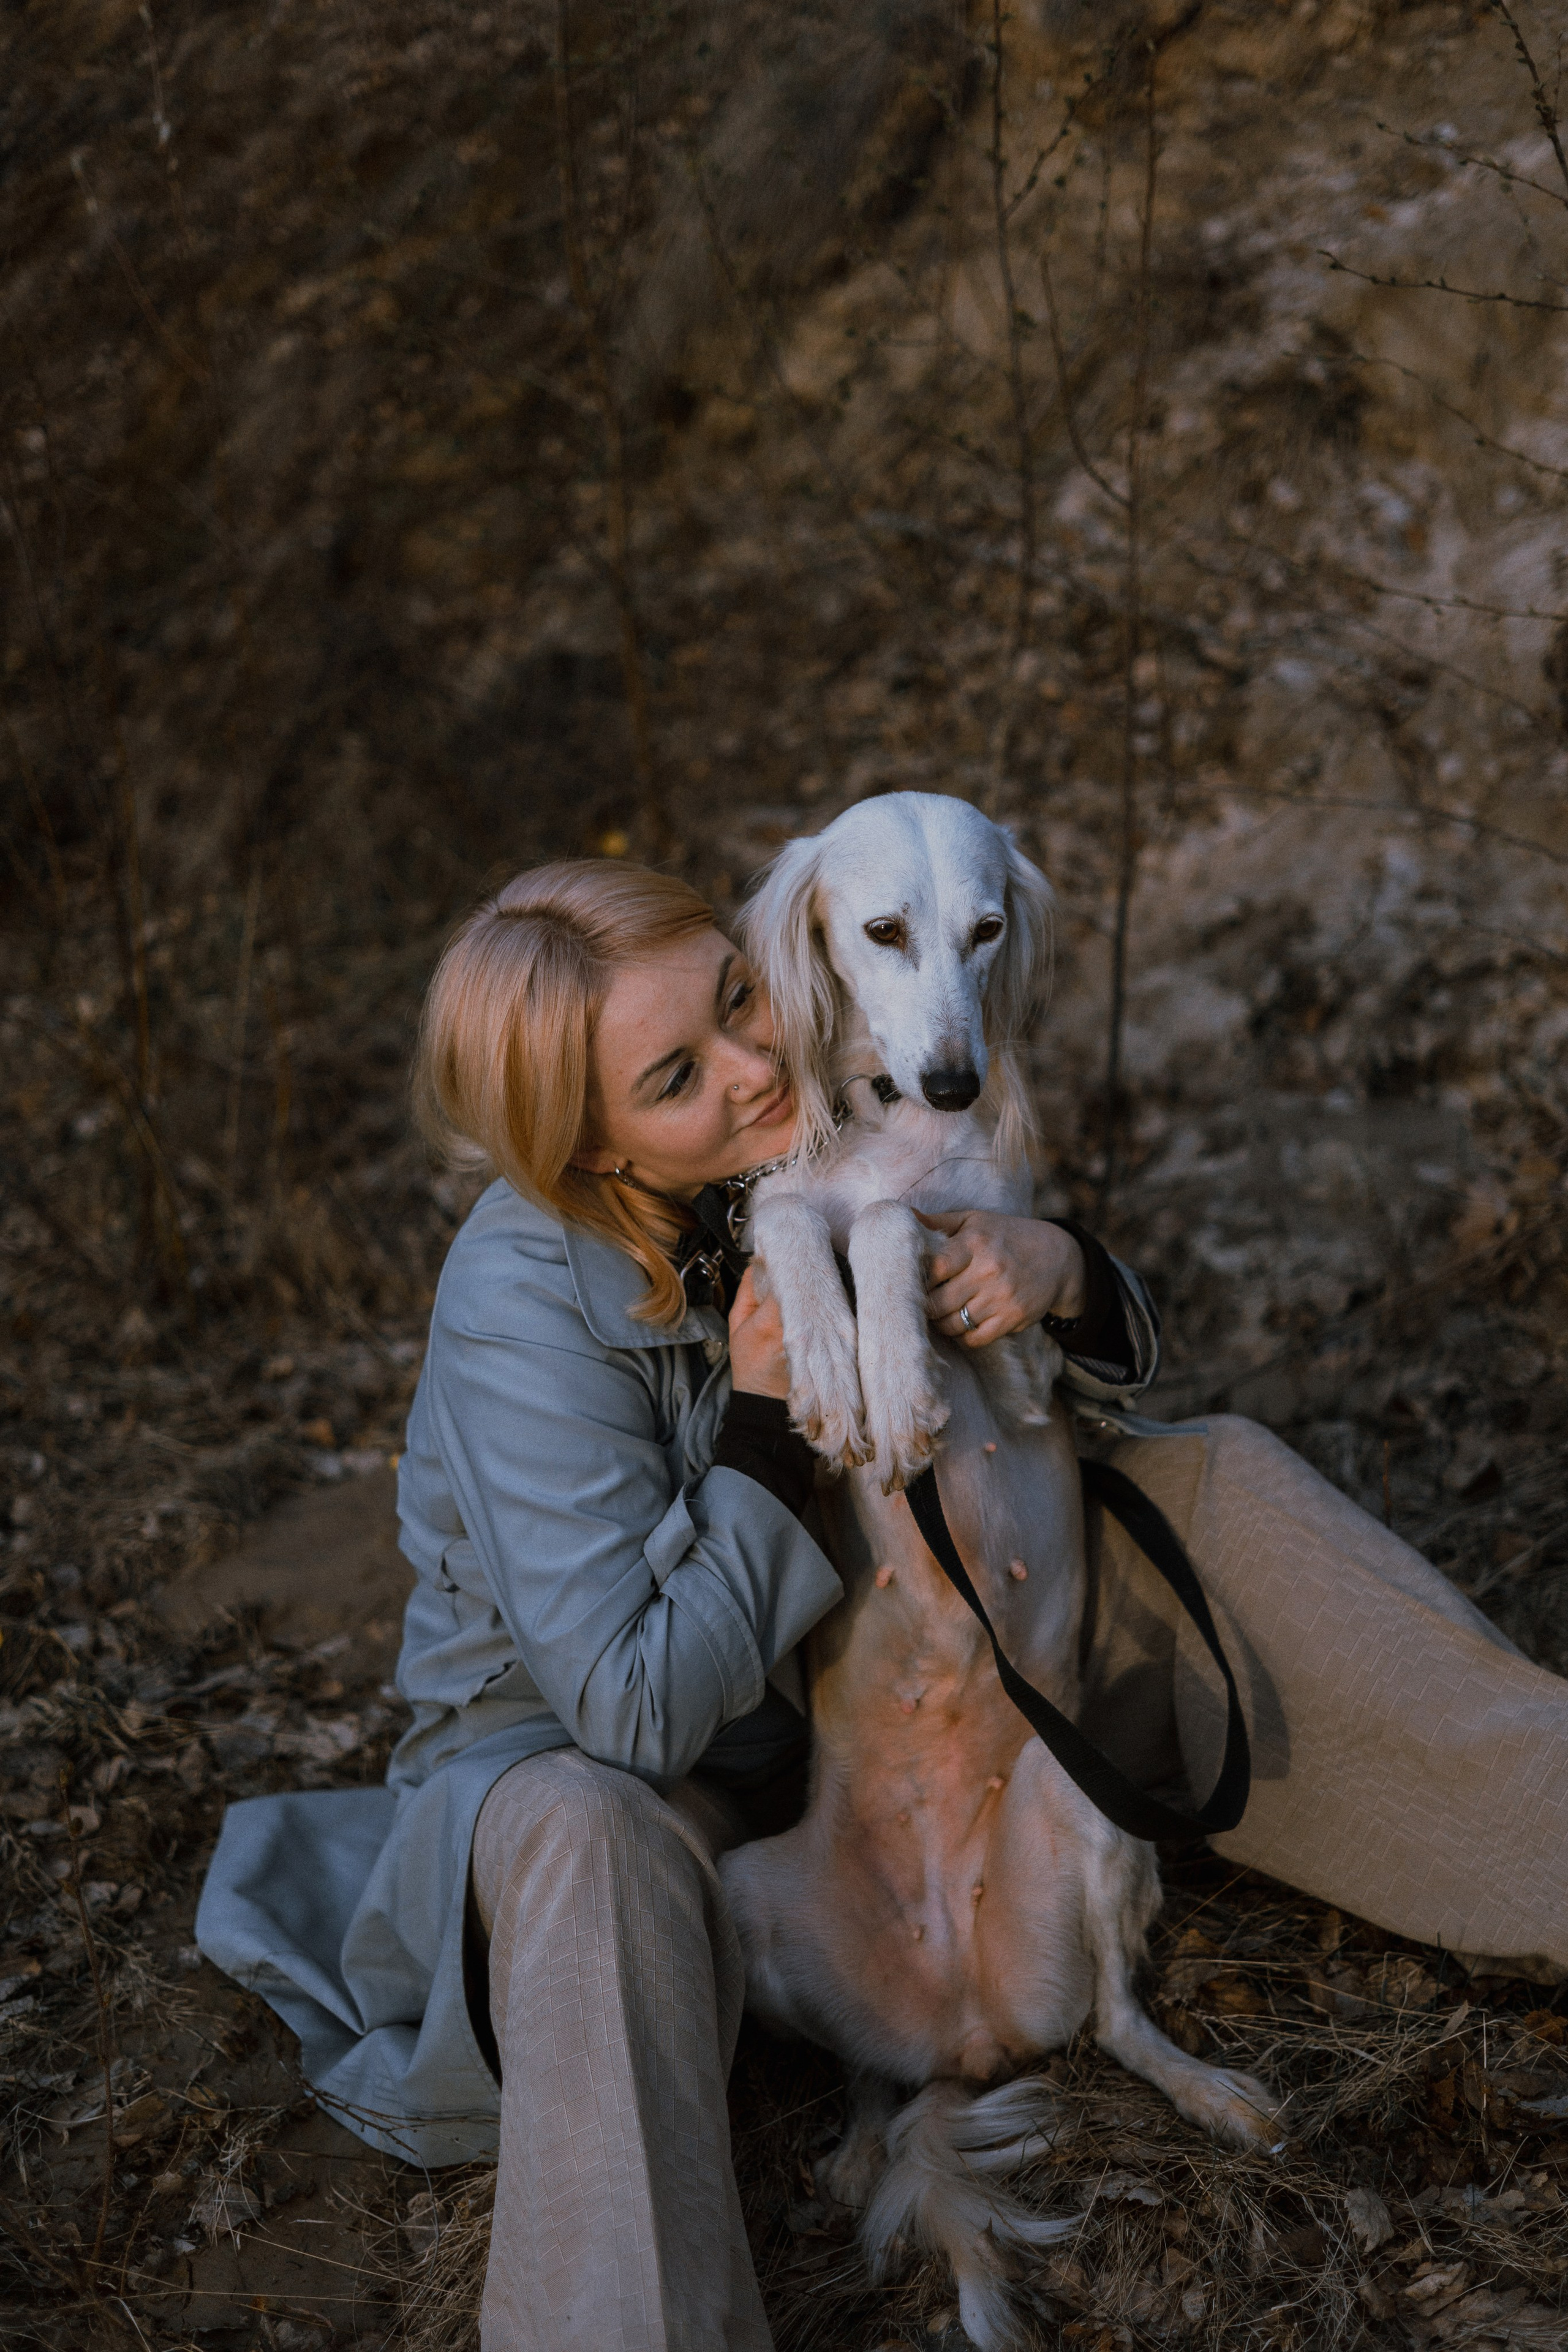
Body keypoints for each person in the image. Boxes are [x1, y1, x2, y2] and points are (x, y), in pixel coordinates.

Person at [198, 858, 1568, 2352]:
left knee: (1210, 1483)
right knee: (588, 1840)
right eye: (676, 1074)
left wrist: (1069, 1281)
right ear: (590, 1150)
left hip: (873, 1660)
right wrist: (768, 1421)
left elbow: (1019, 1414)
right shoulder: (516, 1304)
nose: (750, 1065)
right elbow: (633, 1706)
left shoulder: (839, 1101)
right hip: (636, 1767)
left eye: (738, 997)